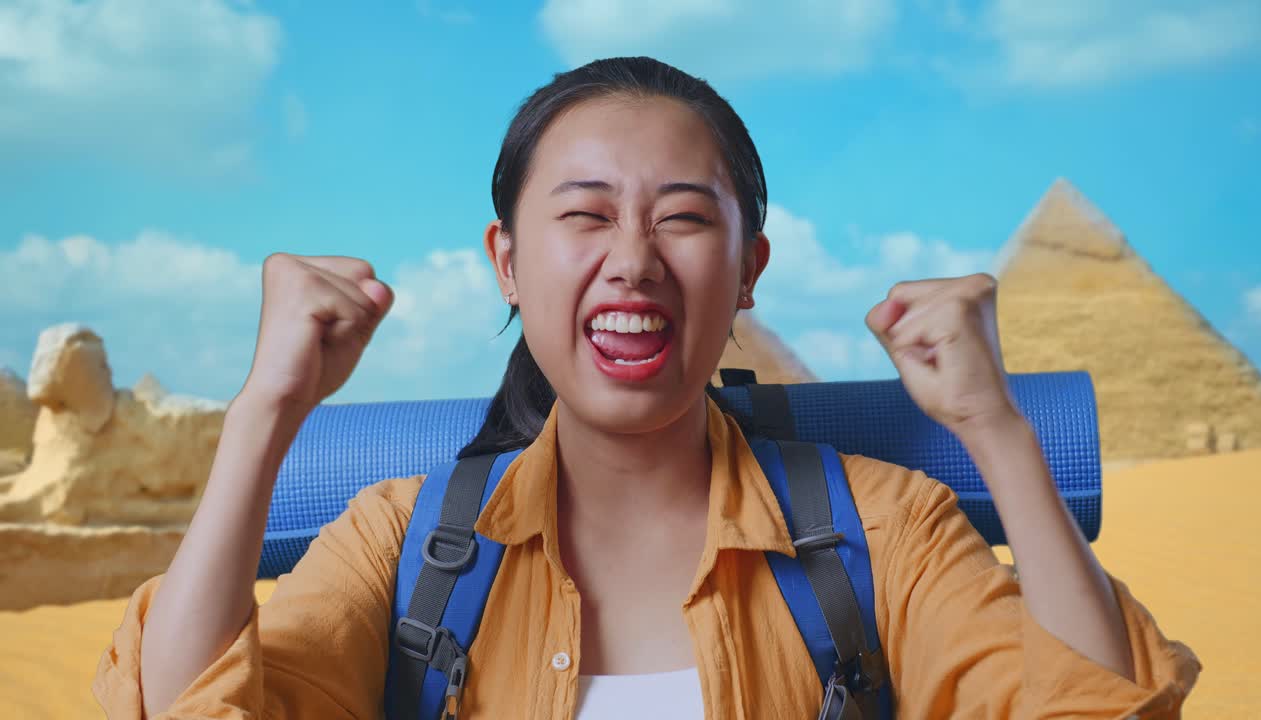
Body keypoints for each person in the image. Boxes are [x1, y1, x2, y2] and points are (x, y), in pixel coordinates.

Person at [94, 56, 1200, 719]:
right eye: (581, 215)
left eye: (681, 215)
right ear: (508, 265)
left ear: (748, 270)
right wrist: (262, 418)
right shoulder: (398, 546)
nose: (631, 259)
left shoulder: (882, 529)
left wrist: (994, 430)